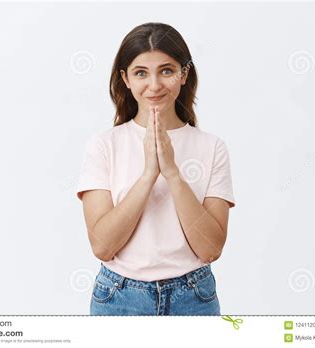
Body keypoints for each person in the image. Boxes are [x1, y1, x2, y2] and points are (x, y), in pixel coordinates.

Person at [76, 22, 236, 315]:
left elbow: (210, 249)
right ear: (125, 78)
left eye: (166, 70)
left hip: (193, 298)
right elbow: (102, 246)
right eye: (140, 73)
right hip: (119, 298)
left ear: (183, 74)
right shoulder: (103, 145)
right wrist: (149, 174)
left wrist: (172, 172)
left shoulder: (212, 147)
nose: (154, 85)